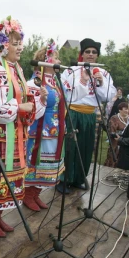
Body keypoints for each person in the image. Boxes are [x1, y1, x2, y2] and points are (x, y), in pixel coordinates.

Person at [0, 17, 35, 236]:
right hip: (0, 135)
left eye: (20, 41)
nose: (20, 47)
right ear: (3, 45)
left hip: (15, 134)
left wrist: (32, 101)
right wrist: (21, 106)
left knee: (9, 176)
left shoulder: (16, 69)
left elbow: (23, 97)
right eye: (14, 42)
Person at [25, 42, 89, 208]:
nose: (59, 60)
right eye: (56, 57)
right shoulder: (35, 82)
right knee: (37, 163)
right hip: (40, 130)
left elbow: (71, 96)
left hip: (54, 129)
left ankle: (36, 193)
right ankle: (28, 195)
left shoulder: (56, 81)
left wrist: (83, 81)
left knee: (49, 165)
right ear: (46, 60)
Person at [60, 38, 116, 191]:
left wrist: (101, 83)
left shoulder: (103, 73)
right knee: (70, 147)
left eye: (94, 52)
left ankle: (79, 178)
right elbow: (67, 93)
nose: (91, 55)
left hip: (90, 115)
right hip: (72, 112)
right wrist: (84, 82)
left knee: (86, 147)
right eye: (87, 52)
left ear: (97, 55)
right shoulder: (71, 70)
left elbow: (107, 97)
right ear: (82, 54)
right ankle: (64, 179)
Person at [105, 102, 129, 167]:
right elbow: (112, 130)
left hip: (125, 141)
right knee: (113, 157)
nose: (127, 111)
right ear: (120, 110)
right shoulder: (115, 118)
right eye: (125, 109)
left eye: (128, 109)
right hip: (116, 141)